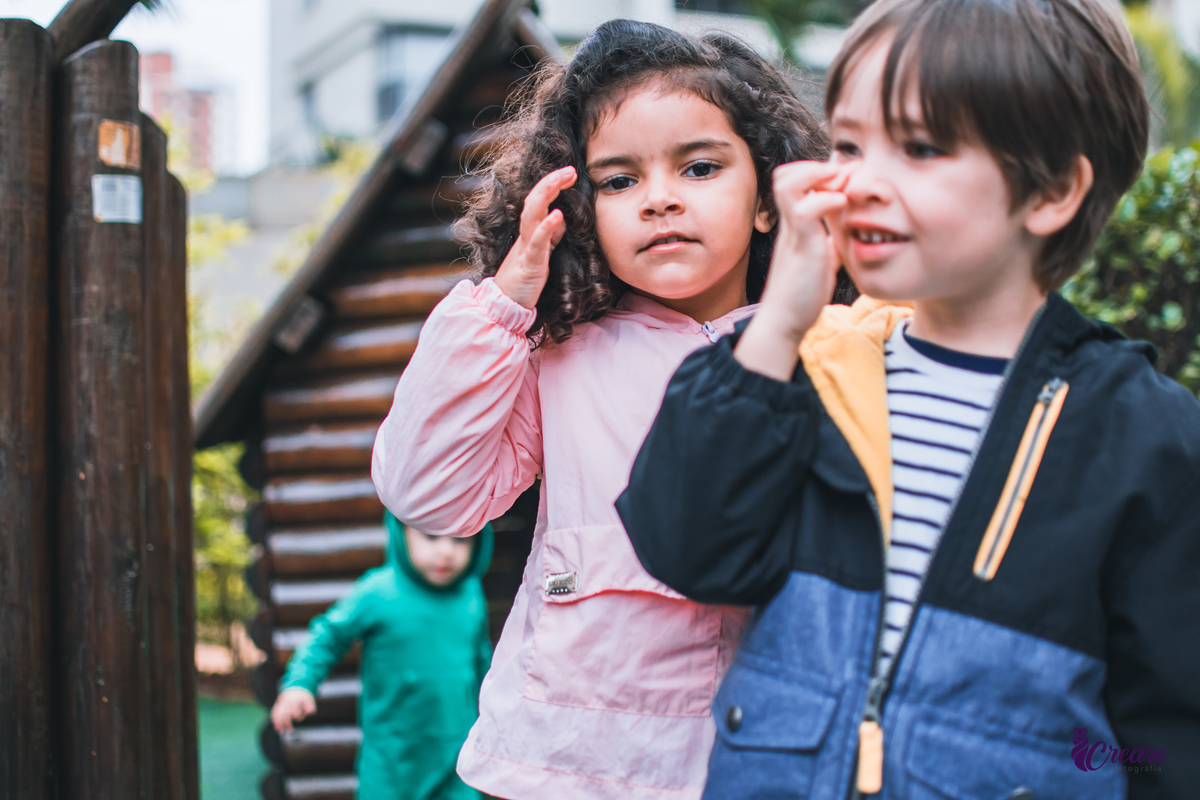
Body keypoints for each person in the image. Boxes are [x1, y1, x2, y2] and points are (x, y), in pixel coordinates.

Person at [617, 0, 1200, 797]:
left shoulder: (1146, 437)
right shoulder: (803, 371)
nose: (860, 182)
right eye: (850, 145)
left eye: (920, 148)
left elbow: (1168, 743)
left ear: (1053, 189)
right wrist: (781, 318)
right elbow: (689, 552)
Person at [369, 19, 832, 800]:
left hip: (760, 761)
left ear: (767, 197)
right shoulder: (560, 357)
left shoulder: (825, 347)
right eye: (618, 181)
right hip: (565, 768)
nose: (660, 199)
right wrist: (502, 306)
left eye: (699, 167)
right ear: (580, 209)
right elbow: (427, 492)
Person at [270, 513, 493, 800]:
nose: (446, 551)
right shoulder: (378, 591)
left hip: (456, 759)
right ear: (401, 531)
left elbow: (482, 664)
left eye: (461, 539)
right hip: (391, 763)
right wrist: (300, 683)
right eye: (430, 536)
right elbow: (328, 635)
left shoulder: (471, 595)